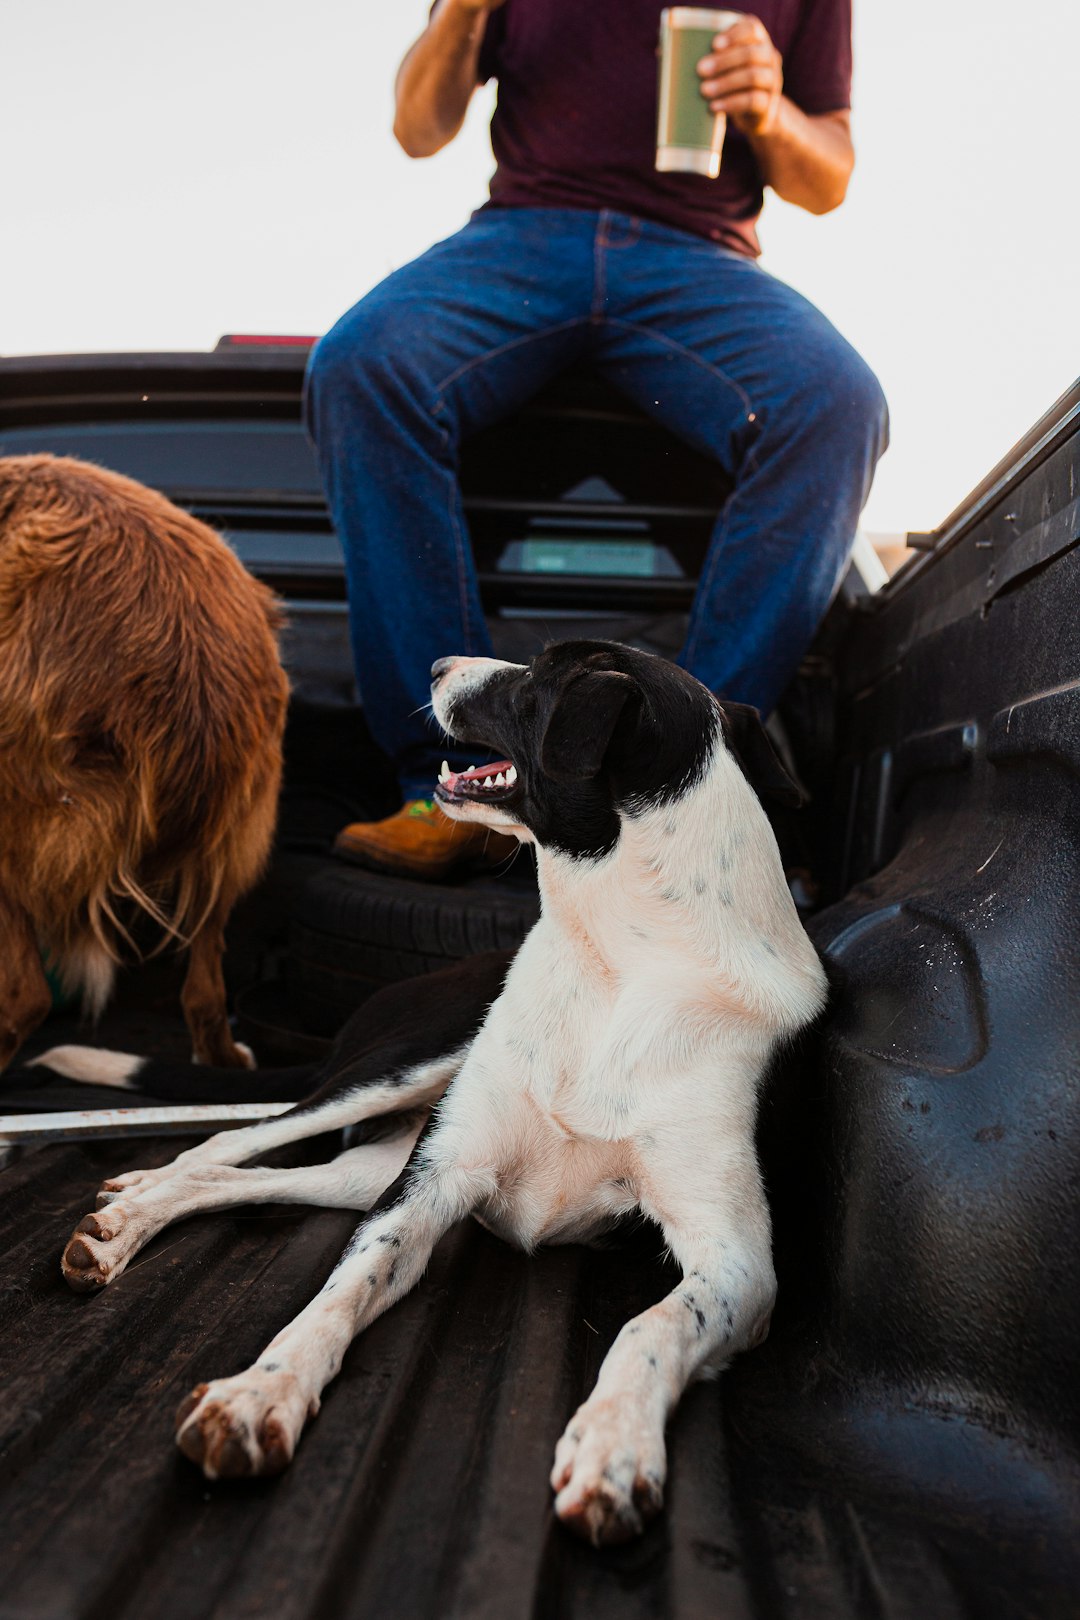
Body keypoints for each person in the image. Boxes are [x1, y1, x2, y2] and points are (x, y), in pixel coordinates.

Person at [304, 0, 888, 881]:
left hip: (700, 255)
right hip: (525, 234)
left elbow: (828, 177)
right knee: (362, 366)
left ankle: (681, 784)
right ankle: (455, 785)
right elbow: (418, 128)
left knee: (838, 403)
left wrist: (768, 110)